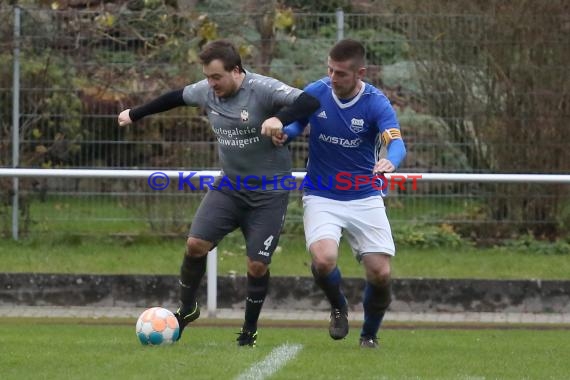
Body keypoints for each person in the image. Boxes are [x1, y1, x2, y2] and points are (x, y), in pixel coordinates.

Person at [118, 39, 320, 347]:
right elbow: (174, 97)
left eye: (216, 77)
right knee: (196, 244)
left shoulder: (262, 89)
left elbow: (309, 101)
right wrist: (136, 113)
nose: (210, 85)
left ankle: (249, 330)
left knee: (256, 264)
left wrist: (280, 118)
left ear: (236, 71)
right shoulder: (206, 91)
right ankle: (187, 308)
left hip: (269, 192)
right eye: (207, 77)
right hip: (229, 186)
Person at [266, 39, 406, 348]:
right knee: (324, 258)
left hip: (365, 194)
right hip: (321, 194)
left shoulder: (375, 102)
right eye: (330, 69)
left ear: (360, 73)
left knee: (380, 272)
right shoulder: (316, 92)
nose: (333, 77)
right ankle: (338, 306)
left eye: (341, 73)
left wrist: (390, 160)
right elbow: (296, 122)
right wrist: (283, 136)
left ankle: (369, 335)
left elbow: (396, 141)